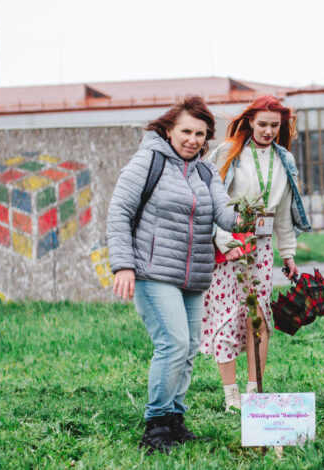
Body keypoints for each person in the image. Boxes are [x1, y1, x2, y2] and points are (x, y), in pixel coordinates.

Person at [107, 96, 240, 454]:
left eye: (200, 133)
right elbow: (119, 212)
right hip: (152, 272)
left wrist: (248, 215)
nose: (193, 139)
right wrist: (123, 265)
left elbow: (224, 213)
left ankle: (175, 420)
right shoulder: (148, 160)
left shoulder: (205, 171)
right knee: (174, 343)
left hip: (193, 276)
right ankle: (156, 425)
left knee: (190, 348)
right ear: (168, 130)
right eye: (186, 131)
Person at [202, 95, 310, 411]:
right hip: (231, 242)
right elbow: (213, 200)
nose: (268, 131)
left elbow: (285, 215)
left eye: (274, 125)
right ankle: (230, 393)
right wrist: (226, 242)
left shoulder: (284, 159)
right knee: (229, 315)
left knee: (259, 317)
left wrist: (288, 254)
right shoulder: (228, 153)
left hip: (261, 247)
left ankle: (254, 389)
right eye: (262, 124)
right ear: (250, 121)